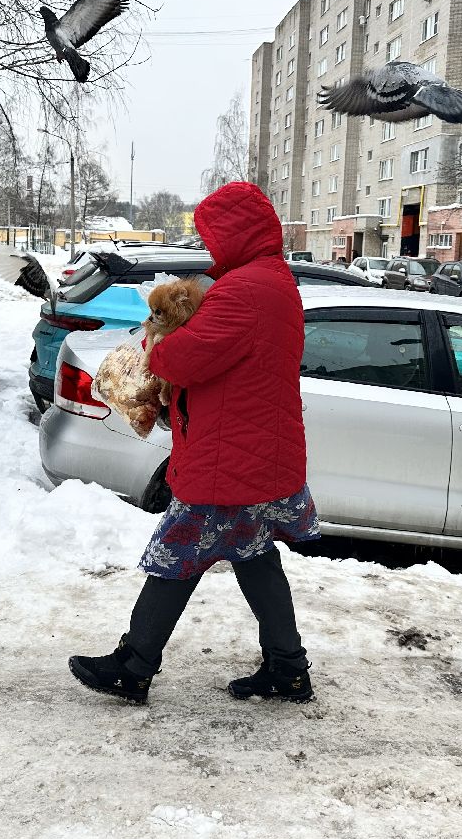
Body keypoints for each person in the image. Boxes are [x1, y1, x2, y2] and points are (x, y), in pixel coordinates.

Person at [69, 182, 319, 705]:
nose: (207, 246)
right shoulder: (273, 280)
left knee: (175, 557)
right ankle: (288, 669)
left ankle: (133, 666)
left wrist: (155, 345)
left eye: (212, 234)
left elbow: (182, 360)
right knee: (253, 558)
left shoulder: (242, 290)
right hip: (252, 451)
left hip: (229, 458)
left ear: (234, 233)